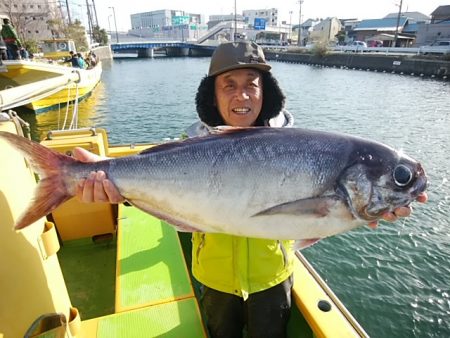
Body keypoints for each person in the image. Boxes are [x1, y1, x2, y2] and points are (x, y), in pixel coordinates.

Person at [73, 42, 428, 337]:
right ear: (213, 94)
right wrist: (111, 183)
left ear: (265, 92)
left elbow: (323, 217)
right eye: (229, 84)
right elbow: (154, 182)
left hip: (271, 279)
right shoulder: (190, 147)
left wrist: (380, 207)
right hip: (214, 278)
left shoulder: (298, 145)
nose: (241, 95)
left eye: (251, 84)